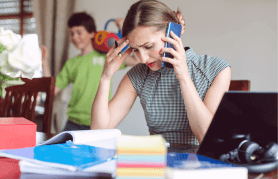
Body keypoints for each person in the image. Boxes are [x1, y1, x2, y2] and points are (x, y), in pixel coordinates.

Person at [91, 0, 231, 145]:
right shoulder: (137, 76)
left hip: (201, 163)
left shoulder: (216, 69)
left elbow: (207, 138)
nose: (143, 59)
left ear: (173, 33)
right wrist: (105, 78)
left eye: (149, 46)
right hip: (158, 163)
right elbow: (99, 130)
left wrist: (183, 76)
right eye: (136, 50)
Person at [42, 12, 138, 131]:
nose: (75, 37)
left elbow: (135, 60)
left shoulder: (107, 57)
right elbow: (52, 89)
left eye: (79, 32)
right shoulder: (71, 63)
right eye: (72, 33)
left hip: (99, 123)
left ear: (92, 33)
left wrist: (126, 30)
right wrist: (44, 61)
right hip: (73, 123)